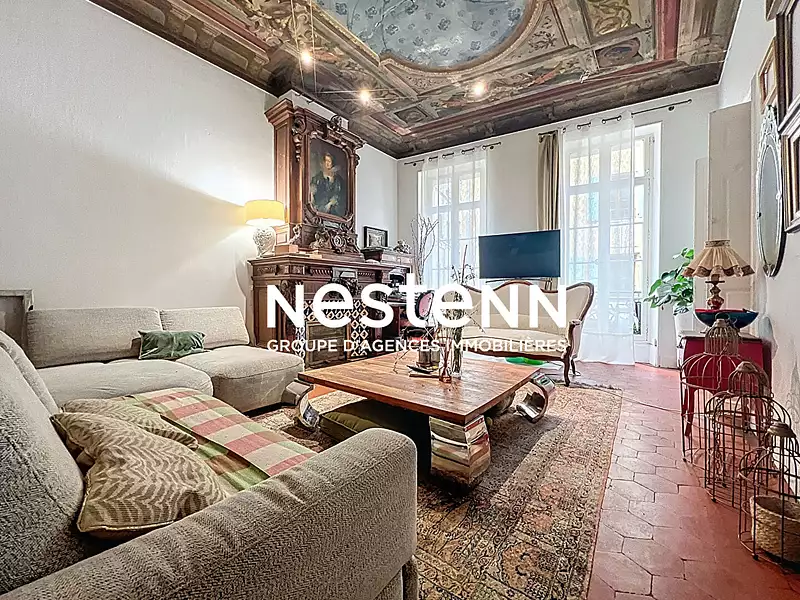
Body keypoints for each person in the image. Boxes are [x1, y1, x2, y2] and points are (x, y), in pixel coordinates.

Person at [311, 151, 346, 217]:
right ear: (321, 163)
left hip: (335, 213)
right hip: (319, 212)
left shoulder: (339, 180)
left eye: (329, 161)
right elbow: (312, 196)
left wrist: (332, 202)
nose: (328, 163)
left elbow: (342, 196)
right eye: (326, 161)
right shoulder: (316, 179)